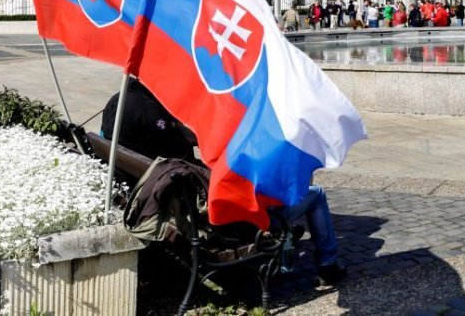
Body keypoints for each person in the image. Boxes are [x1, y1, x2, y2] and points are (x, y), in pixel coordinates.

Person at [102, 80, 348, 284]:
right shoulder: (148, 110)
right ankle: (327, 262)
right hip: (217, 220)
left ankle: (287, 238)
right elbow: (178, 151)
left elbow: (174, 143)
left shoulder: (119, 99)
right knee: (315, 194)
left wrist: (183, 131)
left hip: (146, 190)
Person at [101, 78, 197, 161]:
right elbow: (169, 144)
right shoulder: (149, 108)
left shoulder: (123, 95)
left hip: (119, 157)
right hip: (141, 166)